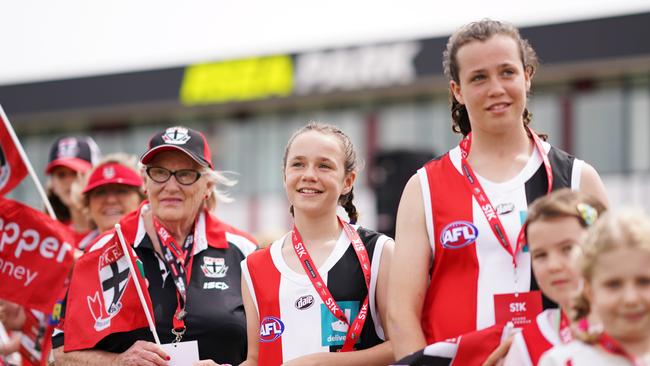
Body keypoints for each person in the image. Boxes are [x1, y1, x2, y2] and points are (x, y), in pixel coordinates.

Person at [387, 19, 609, 360]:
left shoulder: (579, 179)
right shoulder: (424, 188)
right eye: (479, 77)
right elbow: (401, 316)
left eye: (507, 72)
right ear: (457, 90)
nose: (496, 88)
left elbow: (614, 282)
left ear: (527, 76)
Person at [57, 126, 257, 366]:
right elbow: (60, 353)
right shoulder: (106, 251)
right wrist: (117, 361)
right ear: (145, 182)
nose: (171, 186)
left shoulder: (243, 250)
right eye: (159, 173)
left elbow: (274, 347)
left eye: (185, 174)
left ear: (208, 186)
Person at [240, 122, 394, 365]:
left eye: (324, 166)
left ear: (348, 181)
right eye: (298, 164)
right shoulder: (254, 266)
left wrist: (323, 362)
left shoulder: (379, 252)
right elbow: (255, 359)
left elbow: (403, 346)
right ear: (285, 175)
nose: (309, 175)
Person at [501, 189, 605, 365]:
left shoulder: (636, 324)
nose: (553, 266)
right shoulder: (527, 343)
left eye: (567, 249)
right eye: (540, 255)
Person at [539, 209, 650, 365]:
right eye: (614, 284)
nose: (630, 298)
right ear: (590, 292)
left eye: (644, 282)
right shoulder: (561, 362)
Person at [72, 153, 145, 250]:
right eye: (100, 192)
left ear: (142, 198)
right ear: (87, 204)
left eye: (121, 191)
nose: (111, 200)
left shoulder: (160, 247)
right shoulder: (77, 257)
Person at [45, 135, 101, 245]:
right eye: (61, 175)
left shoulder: (113, 225)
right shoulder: (49, 237)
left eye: (77, 173)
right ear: (53, 184)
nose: (69, 181)